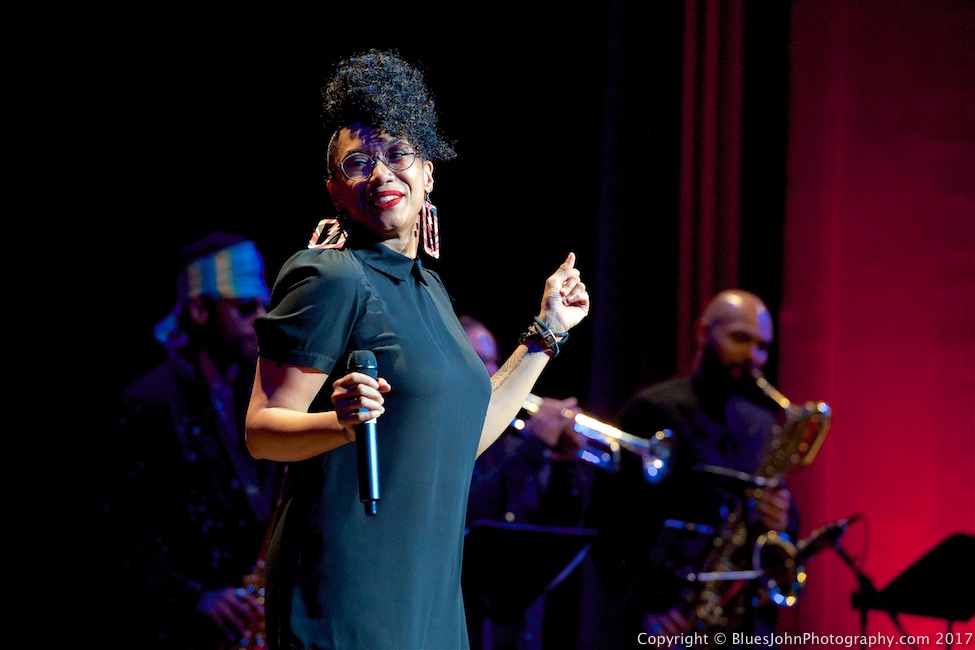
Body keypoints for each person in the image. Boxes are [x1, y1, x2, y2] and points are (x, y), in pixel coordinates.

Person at [243, 48, 590, 650]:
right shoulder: (331, 276)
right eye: (358, 163)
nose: (381, 174)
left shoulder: (429, 288)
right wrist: (340, 422)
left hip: (429, 603)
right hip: (348, 600)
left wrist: (546, 332)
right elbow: (262, 431)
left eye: (398, 154)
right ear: (335, 190)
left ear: (429, 172)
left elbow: (462, 436)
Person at [99, 232, 287, 649]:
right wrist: (196, 597)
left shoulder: (256, 395)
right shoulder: (149, 403)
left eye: (262, 305)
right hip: (179, 628)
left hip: (248, 621)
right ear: (200, 310)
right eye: (244, 308)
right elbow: (118, 533)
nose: (260, 318)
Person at [586, 289, 799, 649]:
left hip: (742, 623)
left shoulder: (763, 425)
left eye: (762, 346)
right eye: (740, 338)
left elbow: (784, 529)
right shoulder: (654, 409)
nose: (753, 356)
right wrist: (645, 608)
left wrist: (782, 519)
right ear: (703, 332)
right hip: (668, 620)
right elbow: (608, 519)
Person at [461, 315, 592, 650]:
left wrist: (564, 466)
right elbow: (472, 511)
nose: (489, 372)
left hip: (522, 632)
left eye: (492, 360)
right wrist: (536, 447)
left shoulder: (514, 444)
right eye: (476, 360)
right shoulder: (445, 441)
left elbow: (554, 531)